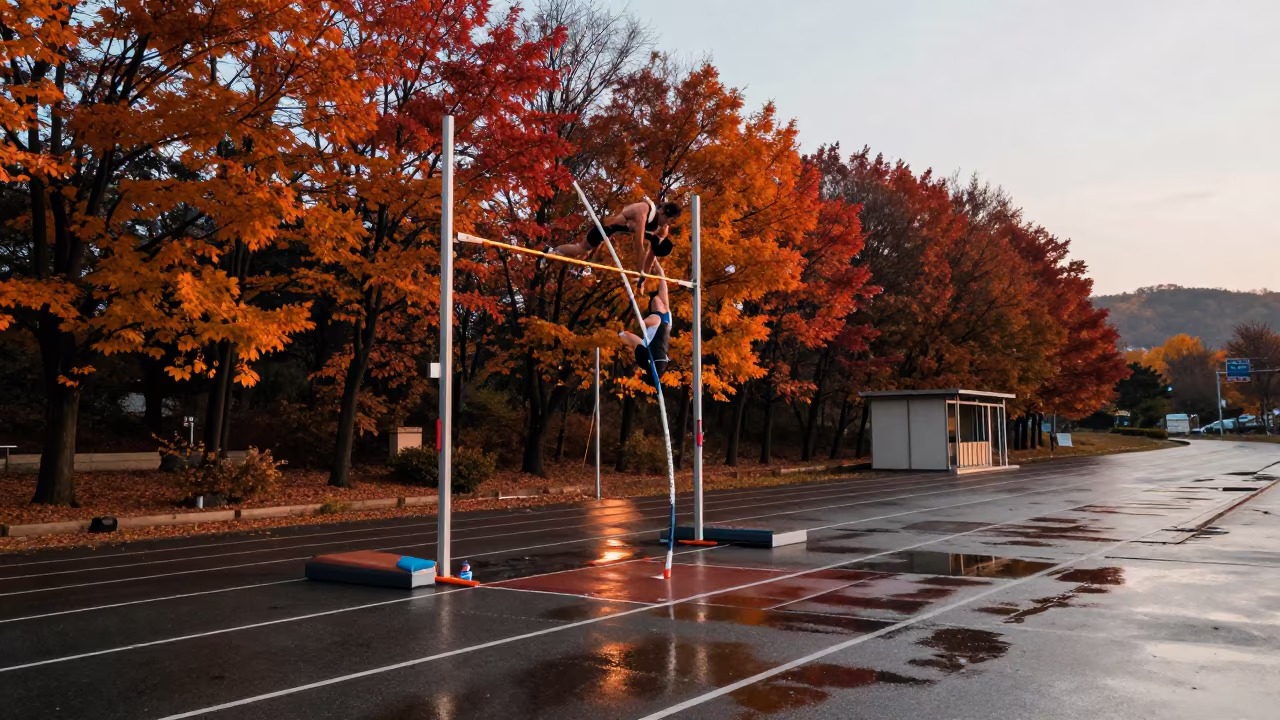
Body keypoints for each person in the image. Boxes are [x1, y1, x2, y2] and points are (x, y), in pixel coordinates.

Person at [553, 196, 681, 273]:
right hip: (607, 228)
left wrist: (643, 278)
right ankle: (554, 252)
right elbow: (639, 244)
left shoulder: (663, 228)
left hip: (611, 234)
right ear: (664, 212)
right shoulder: (644, 210)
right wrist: (639, 271)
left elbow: (652, 254)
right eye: (669, 220)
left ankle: (559, 256)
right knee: (581, 249)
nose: (667, 225)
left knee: (582, 251)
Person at [618, 274, 671, 387]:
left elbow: (662, 281)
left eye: (658, 302)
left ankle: (615, 337)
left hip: (653, 358)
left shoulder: (665, 314)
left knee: (626, 336)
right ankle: (615, 338)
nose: (657, 302)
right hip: (655, 358)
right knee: (625, 336)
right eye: (653, 302)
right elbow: (662, 278)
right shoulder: (660, 316)